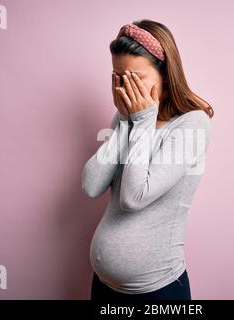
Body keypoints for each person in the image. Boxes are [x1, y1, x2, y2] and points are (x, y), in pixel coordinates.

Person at [82, 19, 214, 300]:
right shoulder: (128, 119)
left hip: (158, 291)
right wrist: (125, 120)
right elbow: (91, 185)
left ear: (165, 74)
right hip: (104, 288)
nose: (126, 89)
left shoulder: (192, 125)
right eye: (119, 78)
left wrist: (141, 119)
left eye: (135, 78)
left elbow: (134, 197)